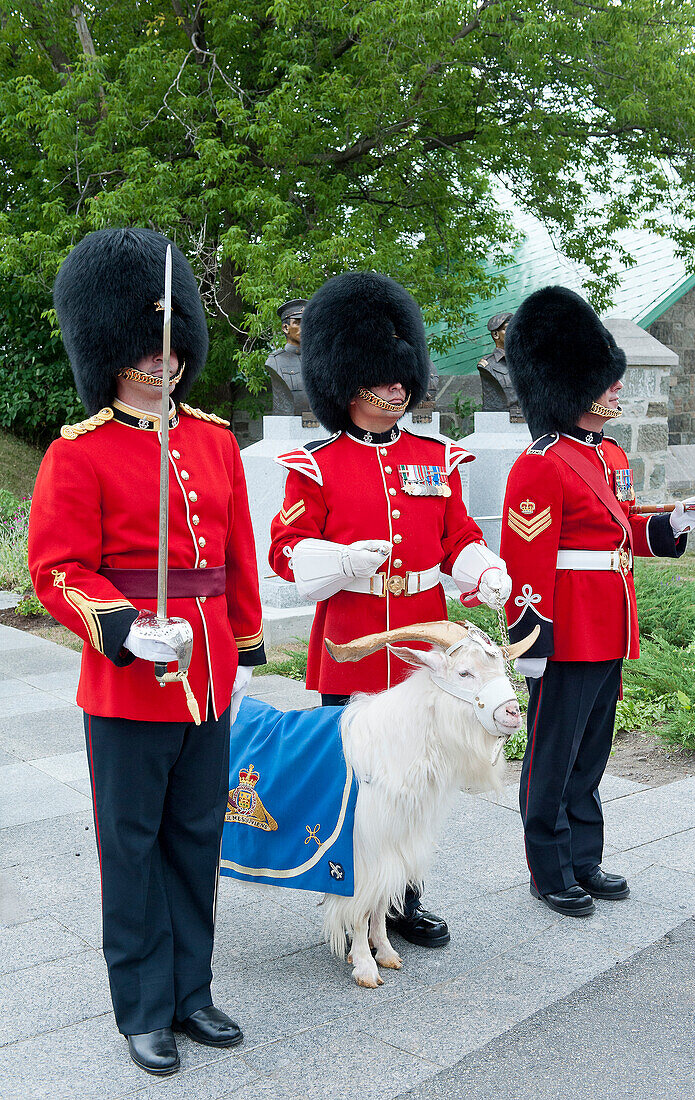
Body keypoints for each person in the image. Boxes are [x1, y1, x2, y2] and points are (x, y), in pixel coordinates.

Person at [28, 228, 266, 1075]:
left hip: (205, 677)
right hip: (130, 682)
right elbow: (57, 569)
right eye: (142, 350)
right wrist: (123, 625)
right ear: (111, 353)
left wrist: (244, 638)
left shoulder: (209, 440)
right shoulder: (78, 450)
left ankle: (192, 992)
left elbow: (234, 548)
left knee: (197, 837)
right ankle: (142, 1005)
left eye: (171, 347)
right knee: (130, 847)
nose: (161, 364)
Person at [269, 271, 511, 946]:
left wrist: (484, 570)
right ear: (348, 382)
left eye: (402, 374)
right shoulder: (315, 464)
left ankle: (405, 899)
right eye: (382, 375)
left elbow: (456, 536)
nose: (398, 386)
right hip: (351, 642)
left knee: (421, 779)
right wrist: (343, 560)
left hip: (425, 653)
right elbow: (285, 553)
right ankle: (346, 900)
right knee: (357, 784)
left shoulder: (436, 457)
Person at [500, 285, 695, 918]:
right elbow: (526, 561)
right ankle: (549, 867)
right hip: (566, 627)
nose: (617, 391)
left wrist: (674, 521)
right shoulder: (541, 463)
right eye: (606, 382)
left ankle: (584, 858)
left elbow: (621, 533)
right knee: (552, 753)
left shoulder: (610, 453)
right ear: (576, 387)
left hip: (610, 624)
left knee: (591, 752)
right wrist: (530, 639)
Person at [265, 298, 312, 417]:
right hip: (287, 422)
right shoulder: (275, 361)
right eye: (297, 322)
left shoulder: (317, 361)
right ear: (286, 328)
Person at [476, 311, 521, 417]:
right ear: (496, 334)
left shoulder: (523, 363)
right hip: (499, 419)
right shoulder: (487, 366)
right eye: (508, 329)